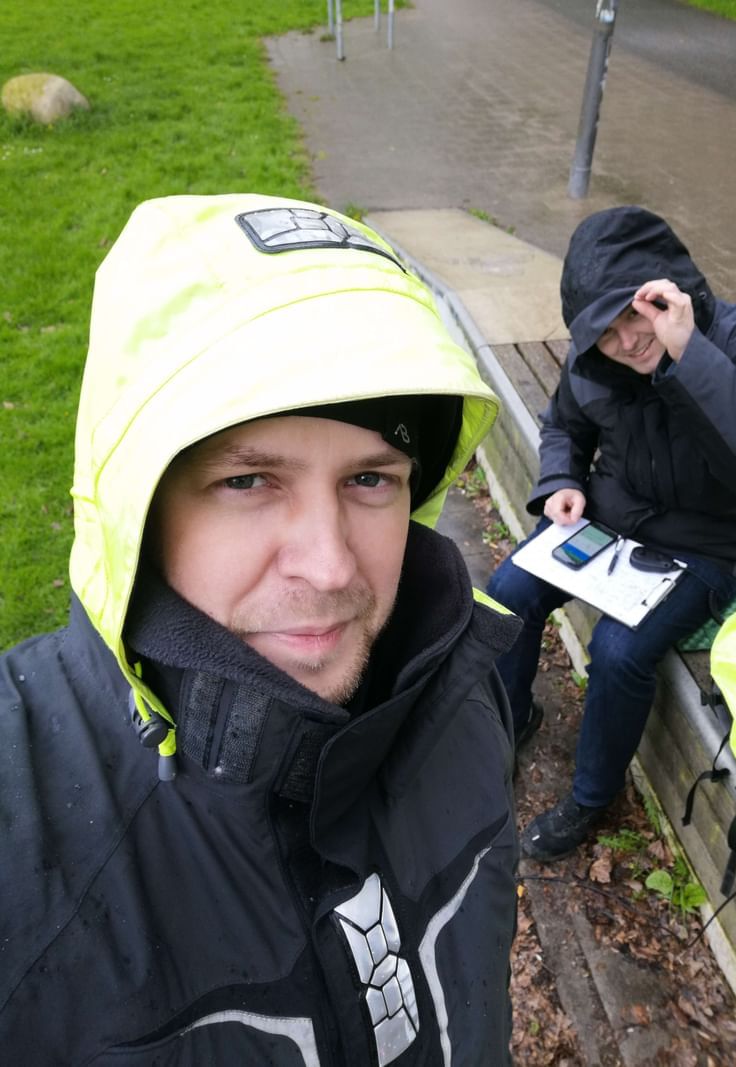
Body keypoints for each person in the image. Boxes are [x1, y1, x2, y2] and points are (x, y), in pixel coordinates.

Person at [0, 195, 523, 1065]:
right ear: (139, 506)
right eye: (248, 482)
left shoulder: (462, 693)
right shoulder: (26, 829)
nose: (330, 566)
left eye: (370, 479)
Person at [487, 205, 736, 862]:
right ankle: (512, 718)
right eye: (606, 332)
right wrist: (562, 480)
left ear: (670, 293)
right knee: (508, 588)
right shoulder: (592, 361)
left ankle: (591, 797)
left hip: (707, 544)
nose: (628, 341)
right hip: (611, 516)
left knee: (620, 649)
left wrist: (690, 355)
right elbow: (563, 426)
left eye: (639, 314)